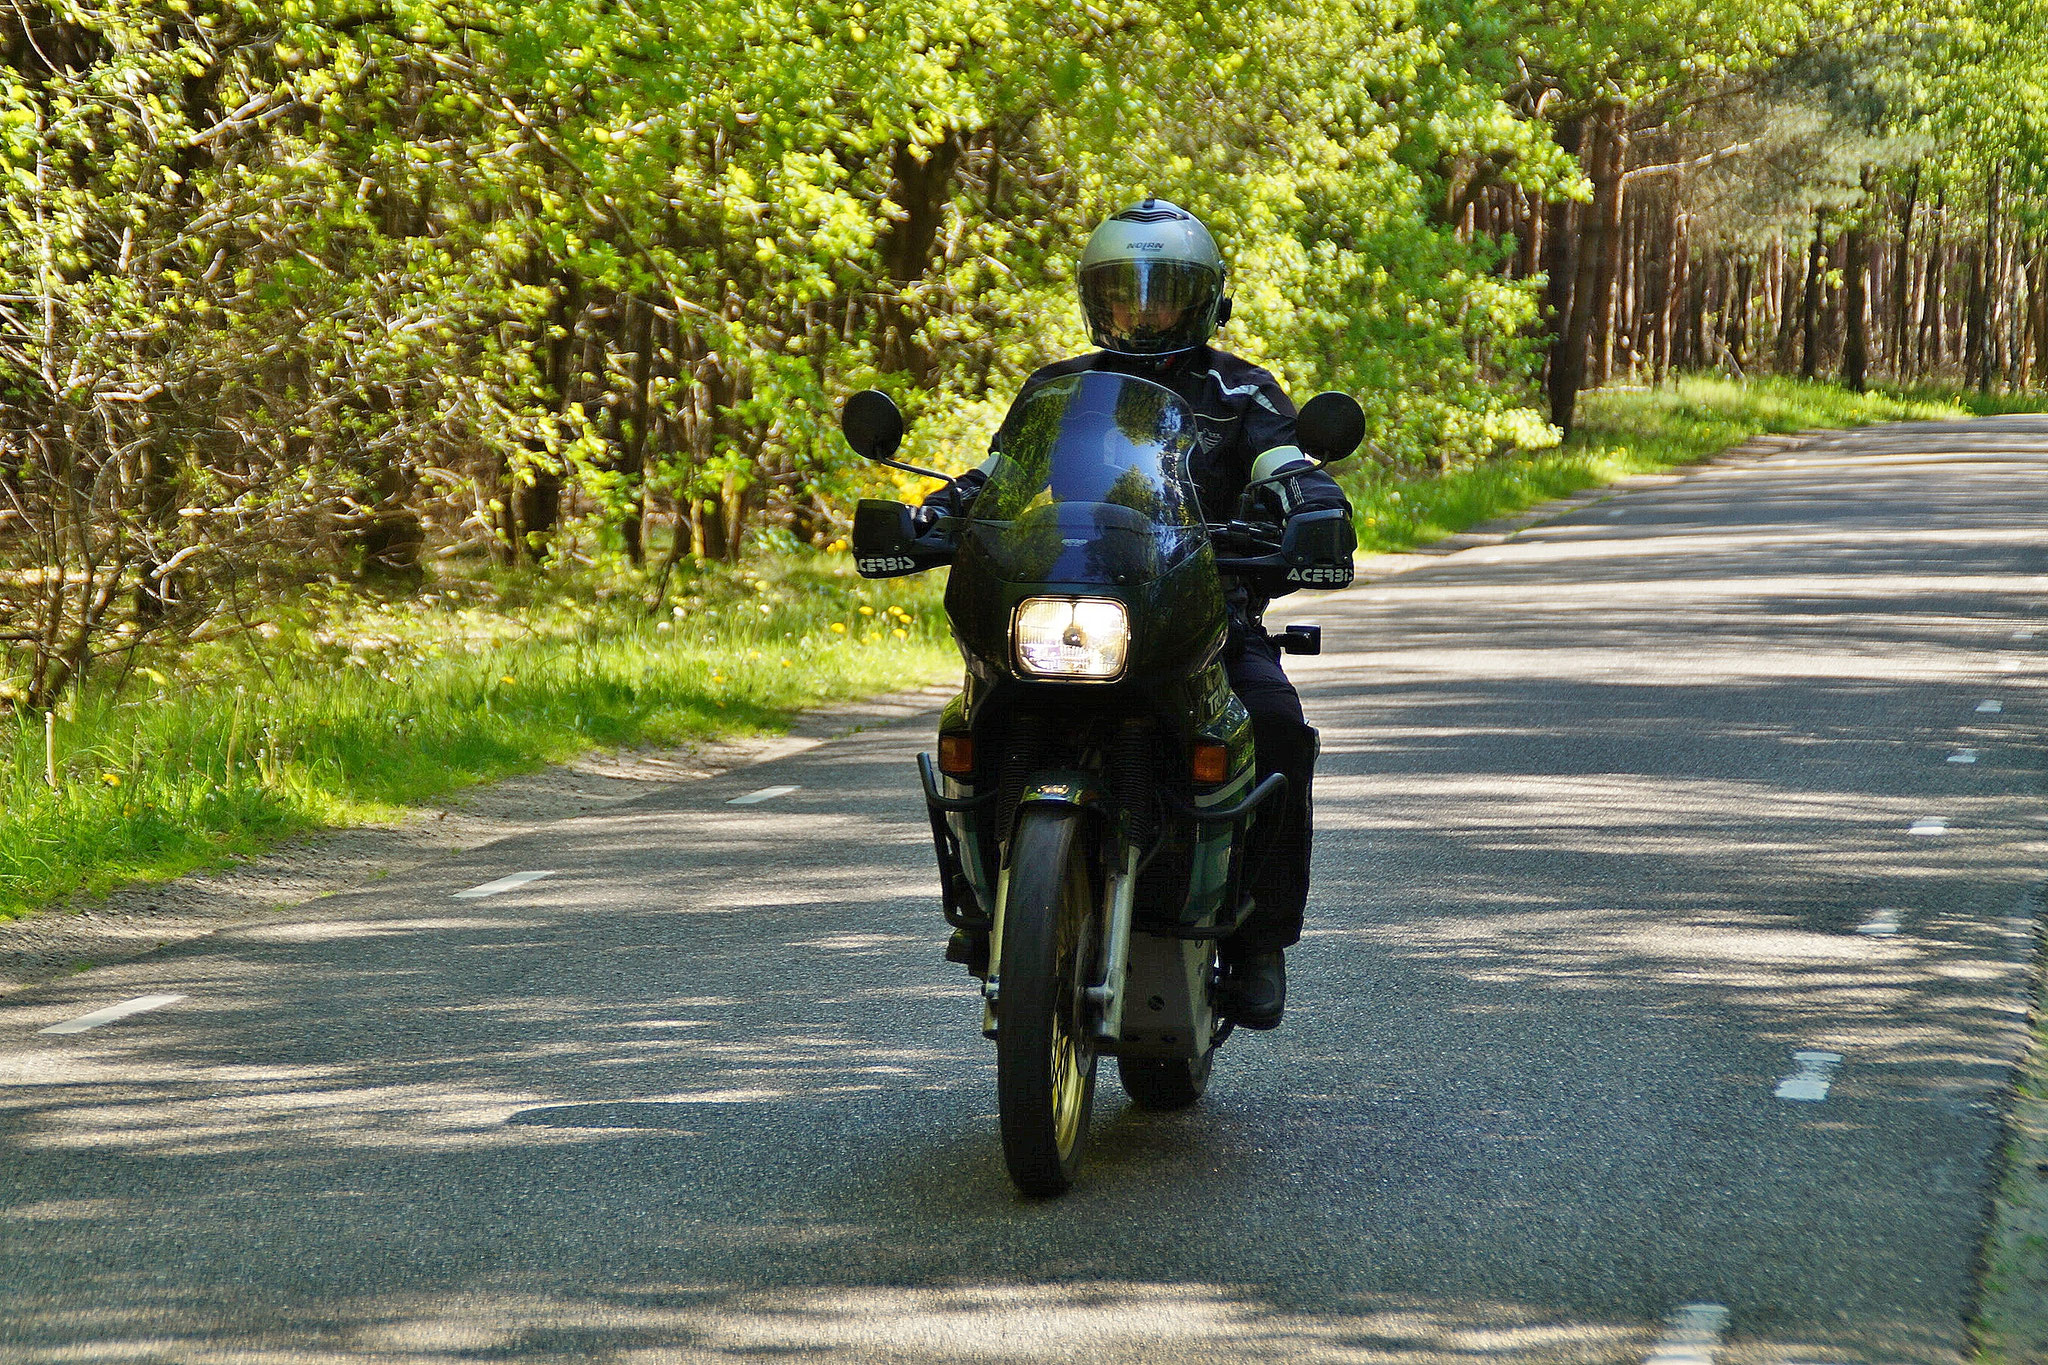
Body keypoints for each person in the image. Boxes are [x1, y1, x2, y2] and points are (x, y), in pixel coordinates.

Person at [917, 197, 1351, 1030]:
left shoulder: (1242, 389)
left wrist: (1312, 504)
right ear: (1096, 298)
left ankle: (1262, 937)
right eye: (1126, 291)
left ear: (1206, 298)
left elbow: (1288, 464)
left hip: (1200, 620)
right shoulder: (1059, 389)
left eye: (1165, 292)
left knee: (1278, 725)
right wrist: (931, 515)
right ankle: (981, 906)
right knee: (974, 720)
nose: (1144, 310)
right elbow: (994, 477)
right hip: (1071, 610)